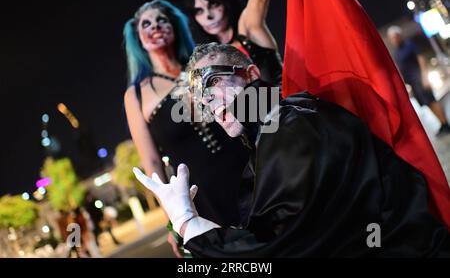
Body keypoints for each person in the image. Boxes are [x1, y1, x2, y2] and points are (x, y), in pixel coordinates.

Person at [134, 43, 450, 257]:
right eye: (199, 95)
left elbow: (283, 250)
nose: (206, 100)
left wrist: (191, 225)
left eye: (212, 81)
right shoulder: (273, 129)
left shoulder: (290, 128)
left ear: (252, 76)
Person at [123, 0, 249, 256]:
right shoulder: (136, 95)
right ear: (138, 37)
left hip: (250, 172)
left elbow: (247, 108)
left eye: (162, 20)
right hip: (202, 198)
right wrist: (175, 219)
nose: (155, 26)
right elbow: (152, 163)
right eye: (146, 24)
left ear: (175, 26)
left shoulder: (205, 64)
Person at [164, 0, 285, 86]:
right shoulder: (204, 59)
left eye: (213, 5)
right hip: (249, 106)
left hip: (285, 103)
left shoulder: (248, 29)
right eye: (199, 11)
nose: (208, 16)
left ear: (226, 3)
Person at [387, 26, 450, 137]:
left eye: (395, 36)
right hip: (412, 83)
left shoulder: (409, 45)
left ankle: (446, 123)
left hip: (420, 79)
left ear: (399, 35)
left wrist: (424, 76)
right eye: (392, 38)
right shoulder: (396, 52)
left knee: (431, 101)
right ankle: (442, 123)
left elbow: (420, 58)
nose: (394, 39)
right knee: (426, 104)